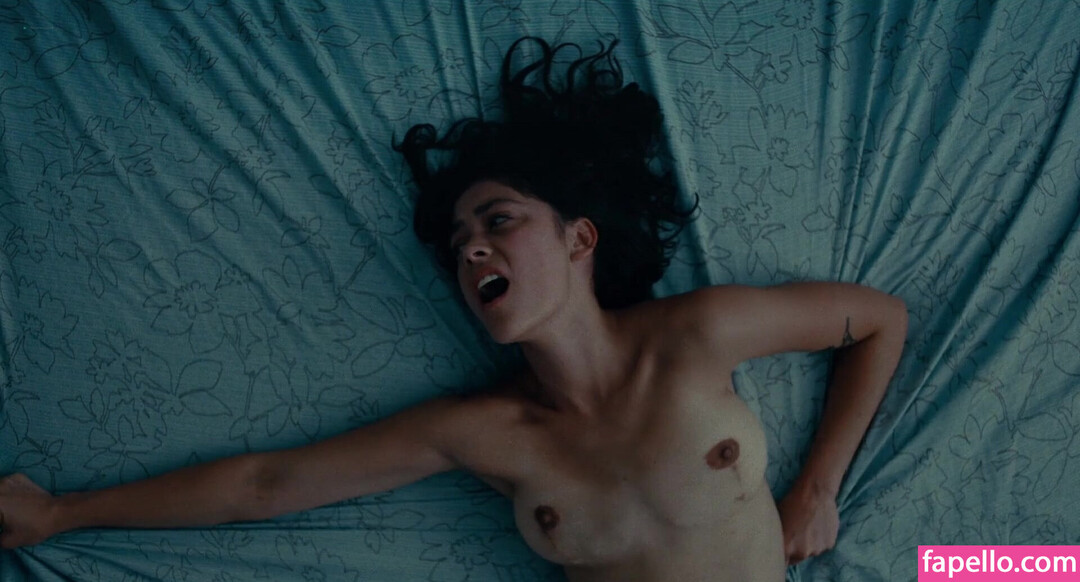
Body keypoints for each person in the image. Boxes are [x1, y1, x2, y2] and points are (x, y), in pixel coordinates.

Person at [0, 38, 907, 581]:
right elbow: (263, 485)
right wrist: (60, 515)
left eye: (498, 222)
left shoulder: (697, 335)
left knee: (997, 569)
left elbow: (879, 321)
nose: (470, 250)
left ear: (580, 238)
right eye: (458, 243)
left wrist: (817, 488)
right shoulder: (483, 431)